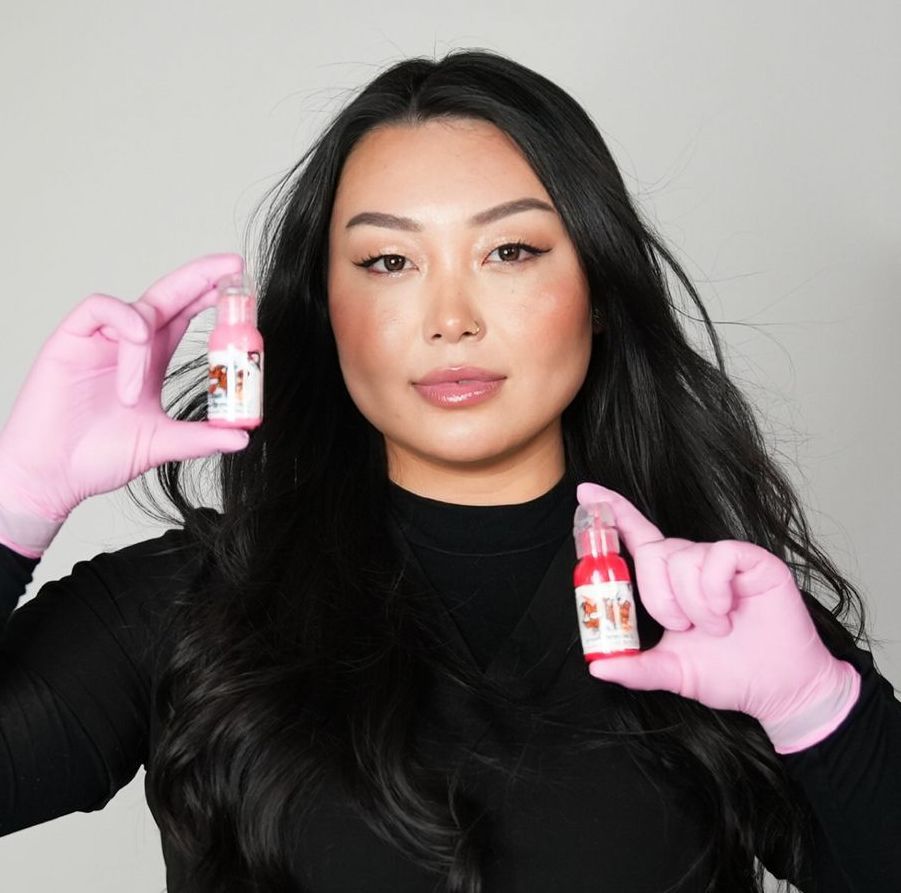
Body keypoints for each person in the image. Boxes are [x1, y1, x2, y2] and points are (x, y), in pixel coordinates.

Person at [0, 48, 899, 893]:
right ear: (325, 315)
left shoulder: (715, 620)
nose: (449, 317)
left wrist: (815, 705)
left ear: (598, 294)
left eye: (510, 251)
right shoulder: (178, 607)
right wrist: (19, 498)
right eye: (388, 261)